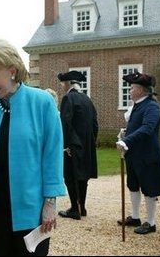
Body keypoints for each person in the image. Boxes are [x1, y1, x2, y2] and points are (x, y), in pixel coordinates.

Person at [0, 39, 66, 256]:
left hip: (31, 207)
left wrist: (50, 203)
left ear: (12, 70)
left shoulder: (42, 102)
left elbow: (52, 154)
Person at [116, 72, 160, 235]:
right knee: (133, 185)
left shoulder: (152, 106)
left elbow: (148, 129)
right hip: (134, 154)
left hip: (148, 155)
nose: (130, 90)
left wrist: (126, 141)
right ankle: (135, 217)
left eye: (132, 87)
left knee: (149, 188)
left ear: (141, 90)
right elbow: (137, 126)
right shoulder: (138, 105)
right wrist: (125, 133)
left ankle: (151, 222)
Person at [57, 71, 98, 220]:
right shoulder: (87, 99)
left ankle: (75, 208)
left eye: (63, 83)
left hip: (73, 145)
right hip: (87, 144)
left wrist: (66, 145)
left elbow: (65, 123)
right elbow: (95, 124)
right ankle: (83, 207)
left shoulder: (68, 98)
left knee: (70, 176)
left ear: (68, 84)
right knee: (83, 177)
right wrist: (91, 142)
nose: (62, 86)